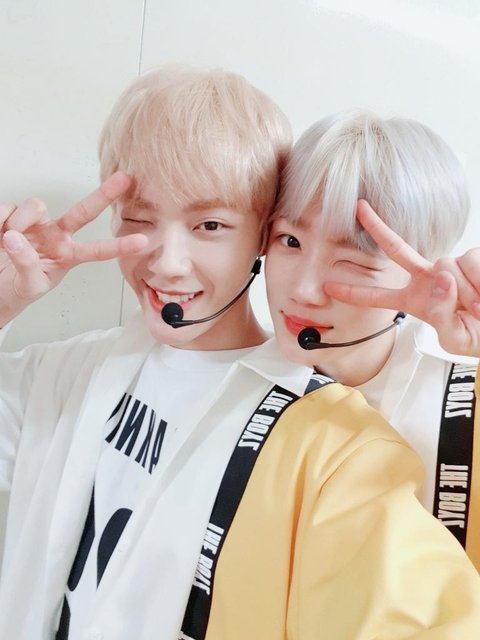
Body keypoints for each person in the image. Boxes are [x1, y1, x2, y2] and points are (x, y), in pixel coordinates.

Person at [1, 71, 480, 640]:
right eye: (138, 217)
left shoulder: (329, 439)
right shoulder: (69, 371)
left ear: (256, 233)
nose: (167, 263)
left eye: (210, 224)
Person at [266, 109, 480, 571]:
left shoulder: (465, 393)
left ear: (424, 266)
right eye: (289, 241)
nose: (304, 290)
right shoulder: (241, 379)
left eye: (355, 261)